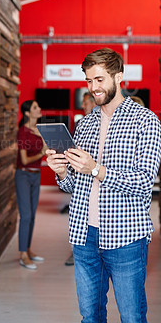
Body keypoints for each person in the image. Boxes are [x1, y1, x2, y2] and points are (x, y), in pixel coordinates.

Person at [46, 48, 161, 323]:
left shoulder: (146, 121)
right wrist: (62, 171)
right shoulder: (84, 125)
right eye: (88, 81)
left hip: (126, 239)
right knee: (91, 319)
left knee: (132, 321)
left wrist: (97, 169)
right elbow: (75, 185)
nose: (93, 88)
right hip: (84, 236)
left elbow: (145, 182)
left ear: (119, 77)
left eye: (99, 80)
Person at [65, 91, 96, 266]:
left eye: (85, 103)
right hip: (79, 183)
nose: (82, 106)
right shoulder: (80, 125)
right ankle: (74, 252)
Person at [15, 100, 47, 270]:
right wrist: (41, 154)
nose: (39, 109)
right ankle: (22, 255)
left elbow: (48, 149)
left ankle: (27, 249)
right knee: (26, 215)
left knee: (32, 215)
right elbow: (25, 160)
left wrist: (40, 135)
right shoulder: (22, 132)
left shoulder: (37, 129)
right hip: (23, 176)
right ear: (27, 113)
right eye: (35, 107)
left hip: (36, 176)